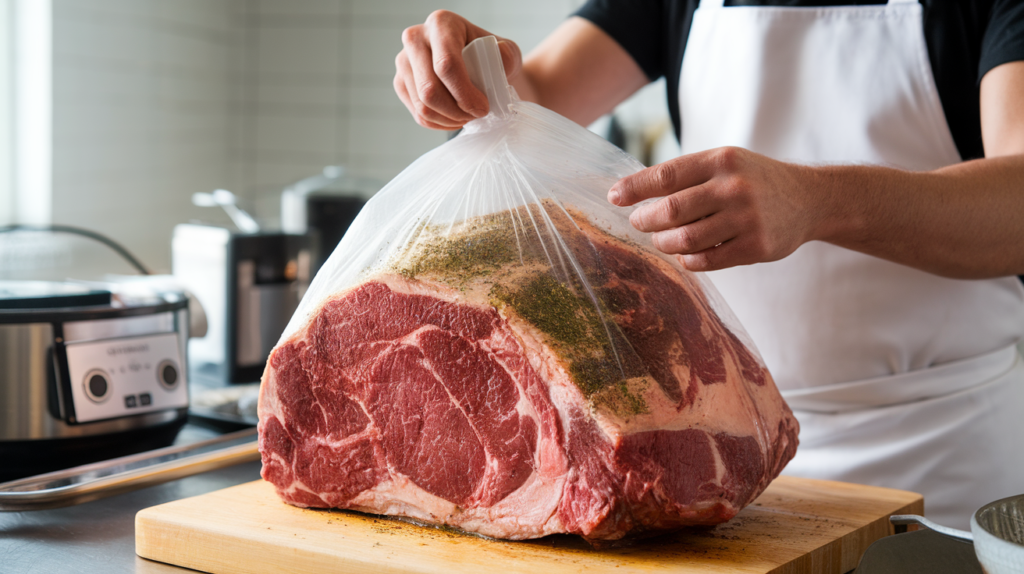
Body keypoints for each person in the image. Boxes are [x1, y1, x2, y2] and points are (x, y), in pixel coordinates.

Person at [393, 0, 1024, 529]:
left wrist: (820, 202)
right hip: (723, 453)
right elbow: (540, 97)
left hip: (941, 453)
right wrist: (468, 71)